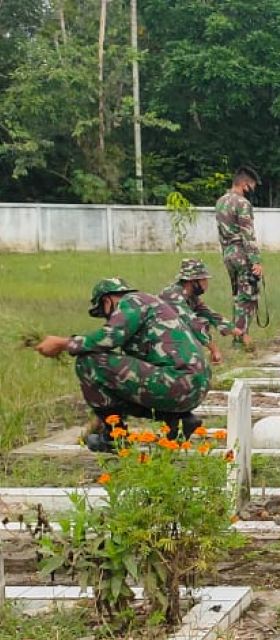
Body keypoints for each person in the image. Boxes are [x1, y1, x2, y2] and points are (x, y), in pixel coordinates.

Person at [33, 278, 210, 452]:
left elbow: (109, 337)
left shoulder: (132, 302)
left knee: (89, 362)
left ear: (107, 300)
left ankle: (113, 438)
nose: (108, 318)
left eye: (104, 313)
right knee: (118, 383)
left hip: (177, 382)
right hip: (191, 387)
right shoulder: (151, 304)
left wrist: (64, 343)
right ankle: (178, 420)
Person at [215, 166, 264, 350]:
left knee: (237, 297)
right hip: (242, 254)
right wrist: (256, 262)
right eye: (251, 185)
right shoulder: (242, 204)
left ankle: (240, 336)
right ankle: (241, 338)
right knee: (247, 297)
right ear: (244, 184)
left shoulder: (221, 202)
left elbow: (221, 233)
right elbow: (247, 234)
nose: (252, 189)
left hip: (228, 254)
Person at [159, 258, 242, 364]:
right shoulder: (173, 296)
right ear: (193, 281)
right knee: (197, 326)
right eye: (204, 280)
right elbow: (194, 325)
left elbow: (209, 314)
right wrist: (214, 349)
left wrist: (238, 332)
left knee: (204, 320)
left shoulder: (189, 294)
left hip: (167, 337)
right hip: (158, 340)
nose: (206, 284)